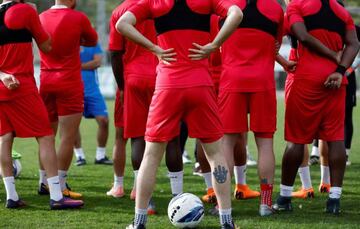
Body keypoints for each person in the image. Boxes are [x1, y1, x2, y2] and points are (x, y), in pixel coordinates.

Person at [116, 0, 243, 228]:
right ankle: (227, 221)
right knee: (215, 155)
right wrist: (215, 44)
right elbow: (236, 13)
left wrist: (153, 48)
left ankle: (139, 223)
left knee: (151, 155)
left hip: (168, 85)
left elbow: (122, 24)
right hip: (200, 85)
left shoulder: (153, 2)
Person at [273, 0, 359, 214]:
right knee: (335, 139)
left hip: (305, 79)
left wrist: (282, 60)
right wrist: (339, 69)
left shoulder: (297, 6)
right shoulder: (341, 11)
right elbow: (354, 44)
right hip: (335, 80)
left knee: (296, 140)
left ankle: (284, 198)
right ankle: (334, 200)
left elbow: (299, 35)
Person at [0, 0, 83, 209]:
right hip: (21, 85)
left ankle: (11, 196)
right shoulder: (26, 10)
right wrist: (35, 17)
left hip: (2, 82)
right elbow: (47, 45)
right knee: (46, 136)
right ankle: (56, 196)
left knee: (4, 138)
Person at [107, 1, 184, 211]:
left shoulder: (120, 11)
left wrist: (122, 87)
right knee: (173, 139)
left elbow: (114, 53)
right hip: (164, 74)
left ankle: (145, 201)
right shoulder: (163, 5)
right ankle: (177, 197)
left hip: (134, 79)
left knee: (138, 138)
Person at [218, 0, 283, 216]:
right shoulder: (275, 8)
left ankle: (223, 204)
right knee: (265, 144)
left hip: (231, 80)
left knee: (226, 143)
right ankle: (265, 205)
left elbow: (214, 42)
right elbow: (275, 45)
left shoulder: (224, 5)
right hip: (263, 82)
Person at [37, 0, 98, 199]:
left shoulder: (41, 17)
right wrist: (76, 40)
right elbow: (92, 40)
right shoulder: (78, 17)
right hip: (69, 81)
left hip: (46, 80)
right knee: (67, 137)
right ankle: (60, 184)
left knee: (47, 138)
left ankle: (44, 182)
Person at [73, 43, 112, 166]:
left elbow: (97, 62)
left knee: (104, 121)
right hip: (73, 89)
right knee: (72, 124)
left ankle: (100, 156)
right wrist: (85, 65)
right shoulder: (69, 40)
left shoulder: (93, 42)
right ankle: (79, 156)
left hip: (93, 91)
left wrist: (76, 66)